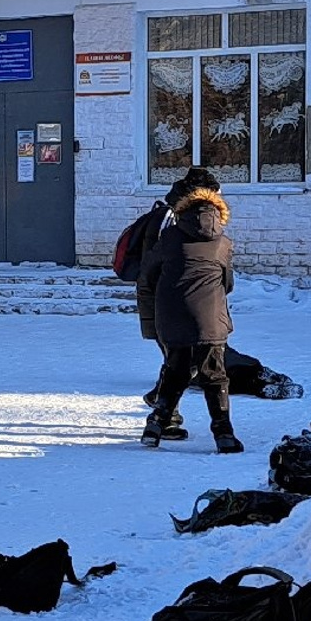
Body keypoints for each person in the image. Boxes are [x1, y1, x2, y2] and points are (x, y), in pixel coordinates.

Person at [141, 187, 242, 453]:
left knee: (175, 372)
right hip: (210, 318)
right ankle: (224, 435)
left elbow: (150, 274)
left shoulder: (169, 237)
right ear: (218, 214)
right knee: (215, 376)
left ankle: (155, 425)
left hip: (171, 316)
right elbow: (227, 283)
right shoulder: (223, 243)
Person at [128, 168, 215, 441]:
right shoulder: (171, 221)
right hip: (164, 303)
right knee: (178, 361)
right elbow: (154, 270)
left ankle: (159, 399)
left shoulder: (180, 218)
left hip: (176, 303)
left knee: (181, 361)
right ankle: (166, 420)